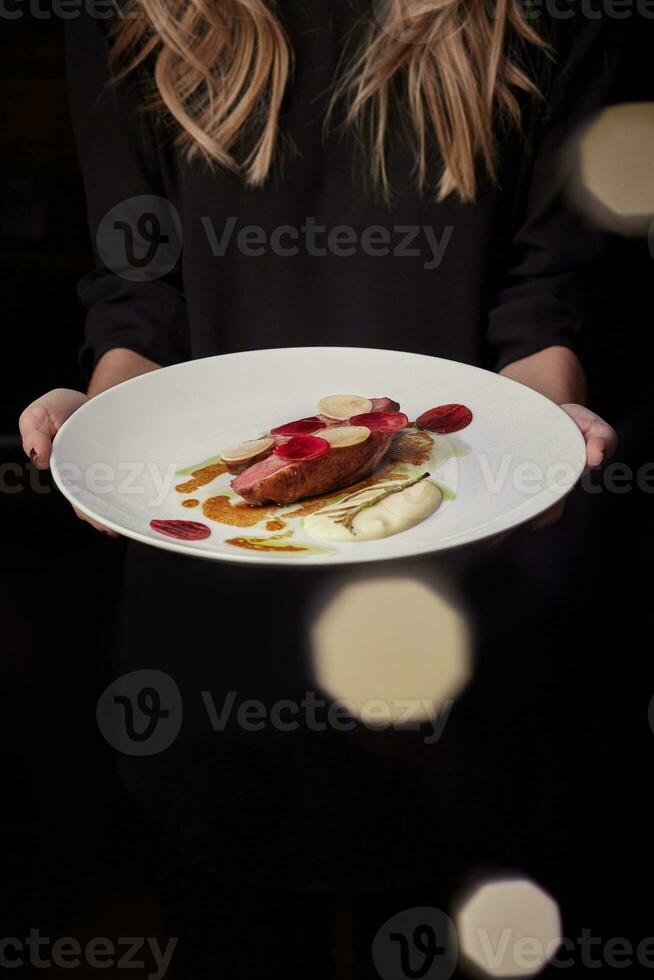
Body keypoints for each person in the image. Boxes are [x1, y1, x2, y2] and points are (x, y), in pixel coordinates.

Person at [19, 1, 619, 974]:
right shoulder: (128, 14)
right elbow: (140, 293)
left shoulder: (543, 14)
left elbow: (542, 293)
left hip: (464, 621)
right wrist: (105, 429)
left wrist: (540, 435)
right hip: (213, 638)